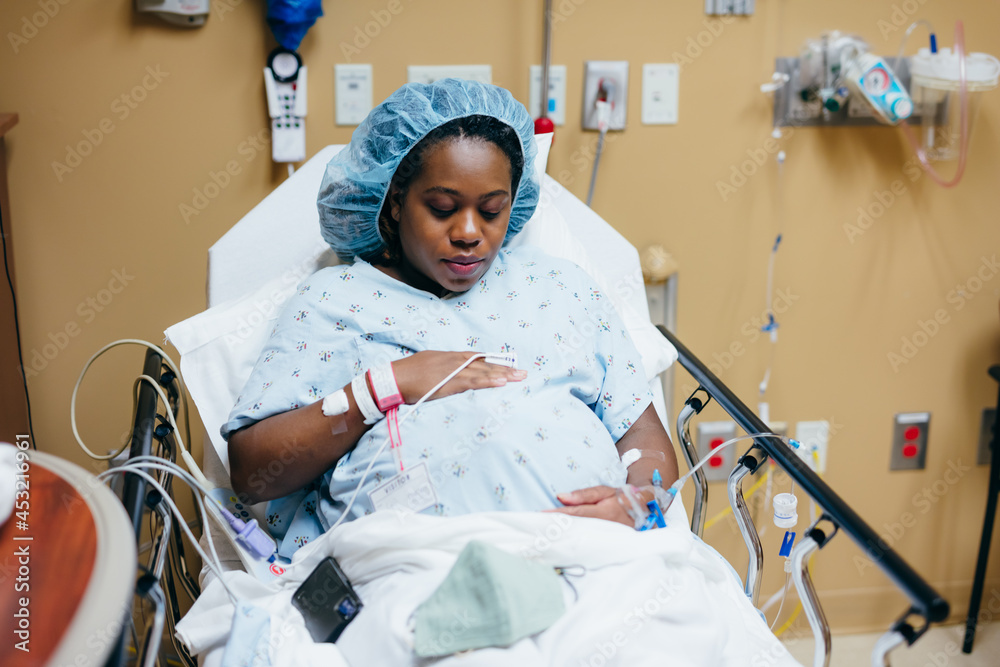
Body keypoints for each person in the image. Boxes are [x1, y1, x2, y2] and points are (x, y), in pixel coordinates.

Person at [223, 79, 679, 558]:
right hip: (414, 569)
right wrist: (387, 386)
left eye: (491, 211)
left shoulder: (561, 288)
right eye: (442, 209)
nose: (468, 233)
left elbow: (639, 428)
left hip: (596, 557)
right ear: (395, 200)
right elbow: (253, 473)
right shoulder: (333, 300)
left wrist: (642, 500)